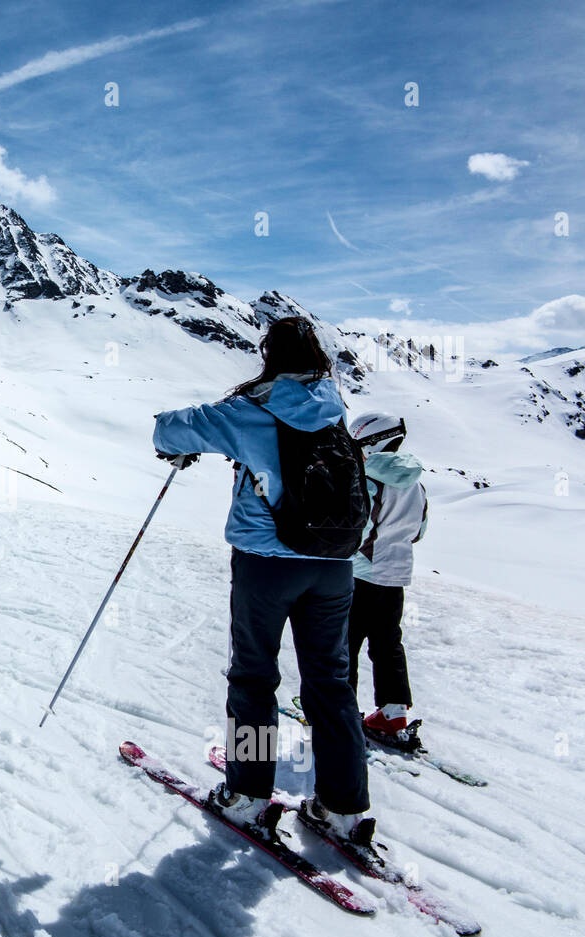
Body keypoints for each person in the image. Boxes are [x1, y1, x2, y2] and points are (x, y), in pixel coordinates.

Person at [153, 316, 371, 843]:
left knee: (253, 677)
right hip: (336, 565)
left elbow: (168, 428)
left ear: (269, 354)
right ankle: (343, 809)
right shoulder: (333, 407)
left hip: (267, 564)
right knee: (331, 683)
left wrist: (185, 447)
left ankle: (249, 795)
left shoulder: (252, 410)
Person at [346, 412, 428, 742]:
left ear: (371, 442)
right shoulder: (416, 484)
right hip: (395, 576)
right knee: (387, 643)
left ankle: (340, 712)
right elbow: (419, 531)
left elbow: (356, 529)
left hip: (361, 573)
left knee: (344, 644)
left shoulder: (367, 480)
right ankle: (394, 715)